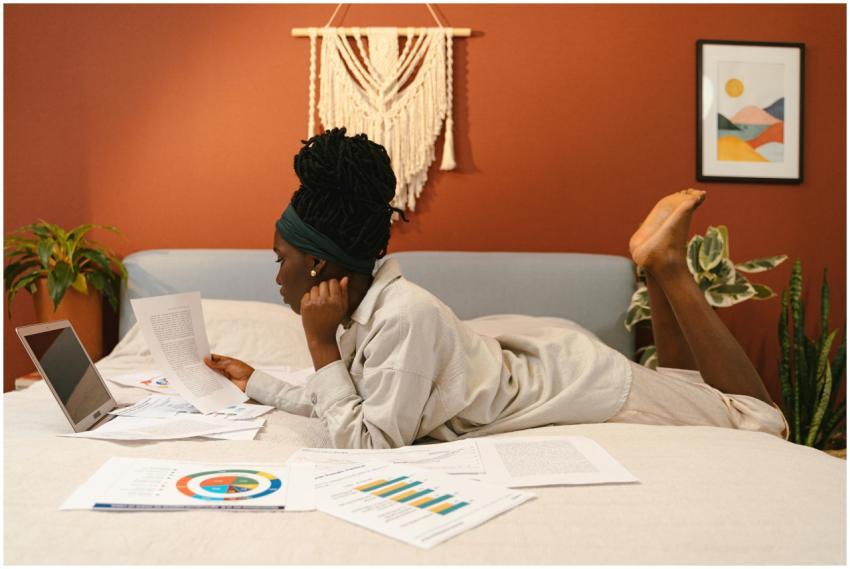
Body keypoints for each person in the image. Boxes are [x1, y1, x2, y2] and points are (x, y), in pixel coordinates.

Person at [205, 127, 787, 449]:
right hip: (561, 374)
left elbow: (370, 445)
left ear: (316, 265)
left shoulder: (402, 315)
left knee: (762, 420)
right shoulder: (364, 312)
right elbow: (350, 402)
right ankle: (656, 268)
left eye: (281, 259)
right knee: (689, 387)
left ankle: (670, 267)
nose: (275, 274)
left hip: (587, 386)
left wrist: (319, 345)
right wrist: (258, 382)